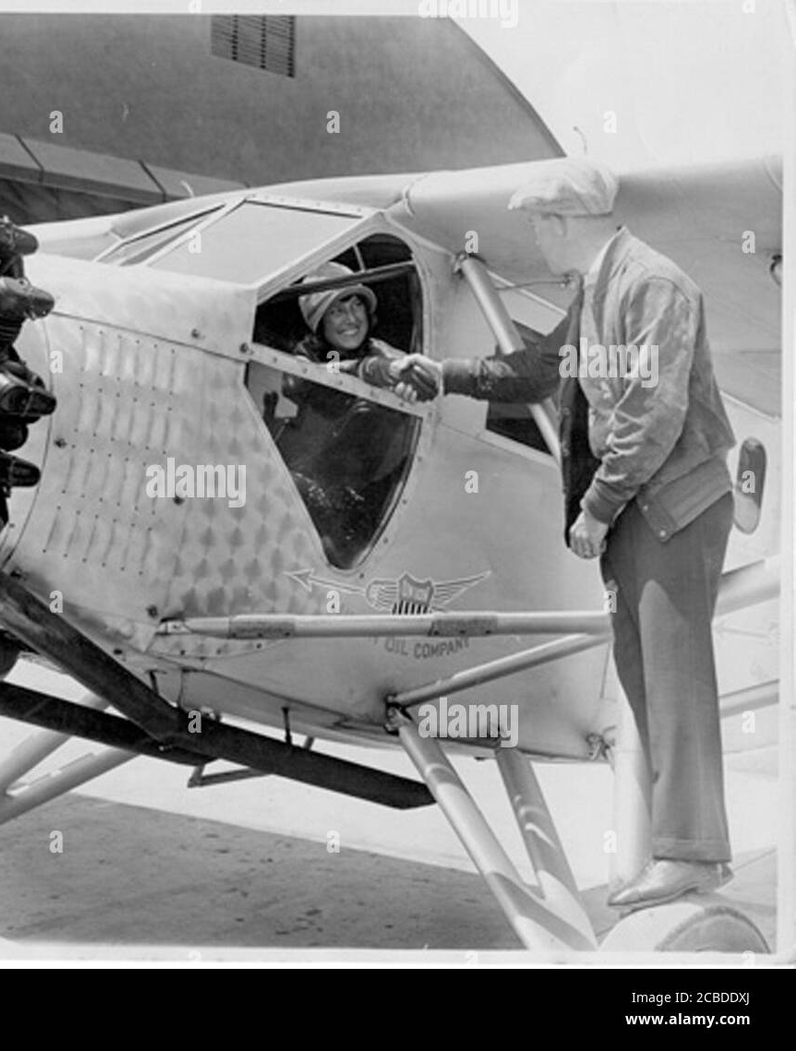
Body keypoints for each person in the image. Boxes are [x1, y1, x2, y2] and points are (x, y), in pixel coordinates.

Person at [395, 158, 738, 911]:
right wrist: (444, 373)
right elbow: (539, 370)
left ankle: (693, 854)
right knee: (646, 677)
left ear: (563, 222)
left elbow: (652, 418)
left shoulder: (652, 285)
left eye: (538, 224)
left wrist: (597, 507)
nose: (535, 239)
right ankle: (683, 848)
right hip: (641, 503)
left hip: (672, 503)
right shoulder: (596, 289)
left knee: (674, 677)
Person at [277, 263, 412, 565]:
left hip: (371, 491)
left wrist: (409, 380)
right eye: (337, 311)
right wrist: (357, 369)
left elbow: (412, 369)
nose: (351, 319)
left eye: (356, 306)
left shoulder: (379, 351)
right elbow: (296, 380)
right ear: (320, 323)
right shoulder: (307, 354)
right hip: (315, 482)